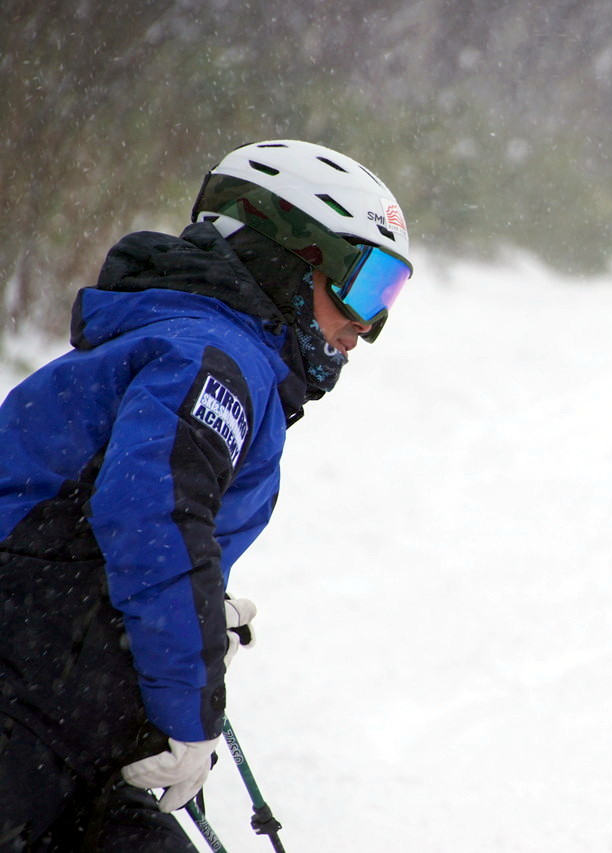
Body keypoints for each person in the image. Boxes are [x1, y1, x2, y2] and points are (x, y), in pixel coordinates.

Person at [0, 139, 413, 850]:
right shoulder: (210, 359)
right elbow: (150, 514)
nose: (366, 327)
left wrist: (191, 611)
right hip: (27, 706)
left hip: (62, 713)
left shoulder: (210, 350)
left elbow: (116, 525)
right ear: (285, 256)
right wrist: (190, 711)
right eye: (364, 282)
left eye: (390, 296)